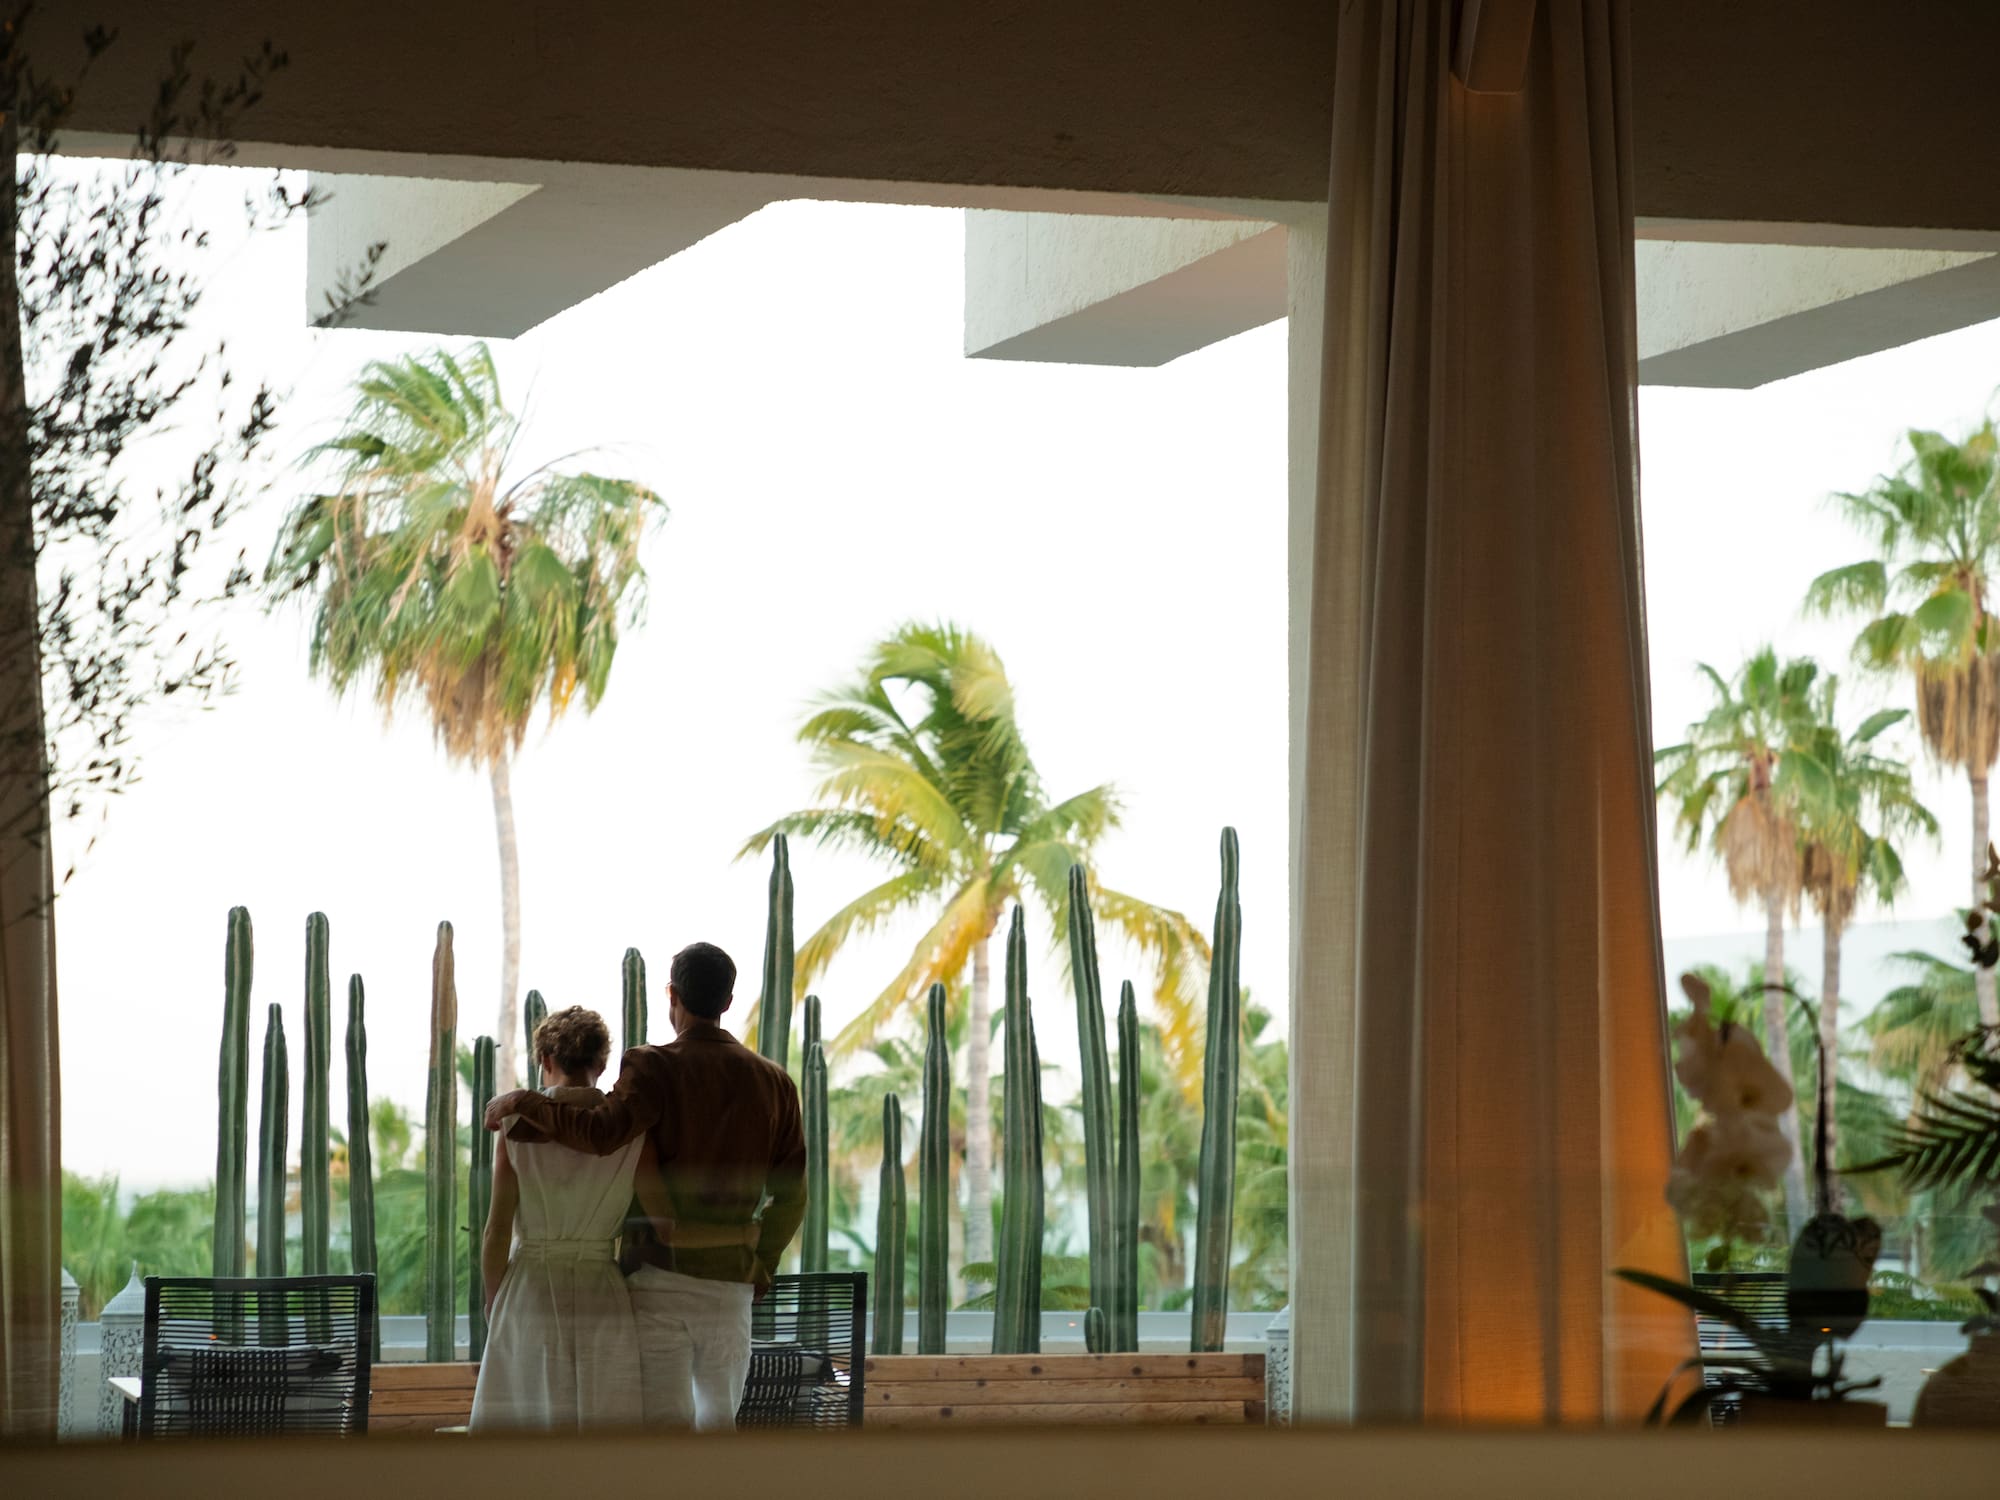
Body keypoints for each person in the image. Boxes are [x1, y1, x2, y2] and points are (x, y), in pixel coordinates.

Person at [485, 941, 806, 1431]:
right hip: (730, 1288)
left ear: (671, 994)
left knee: (659, 1445)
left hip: (657, 1282)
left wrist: (524, 1102)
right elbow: (793, 1195)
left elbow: (599, 1133)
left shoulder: (652, 1067)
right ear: (727, 1001)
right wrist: (761, 1261)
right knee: (718, 1429)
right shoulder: (777, 1083)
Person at [469, 1005, 672, 1430]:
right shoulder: (630, 1129)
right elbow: (664, 1221)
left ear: (545, 1060)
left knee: (523, 1436)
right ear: (601, 1063)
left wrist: (494, 1299)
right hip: (603, 1293)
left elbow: (497, 1229)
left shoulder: (515, 1125)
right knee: (602, 1441)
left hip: (530, 1290)